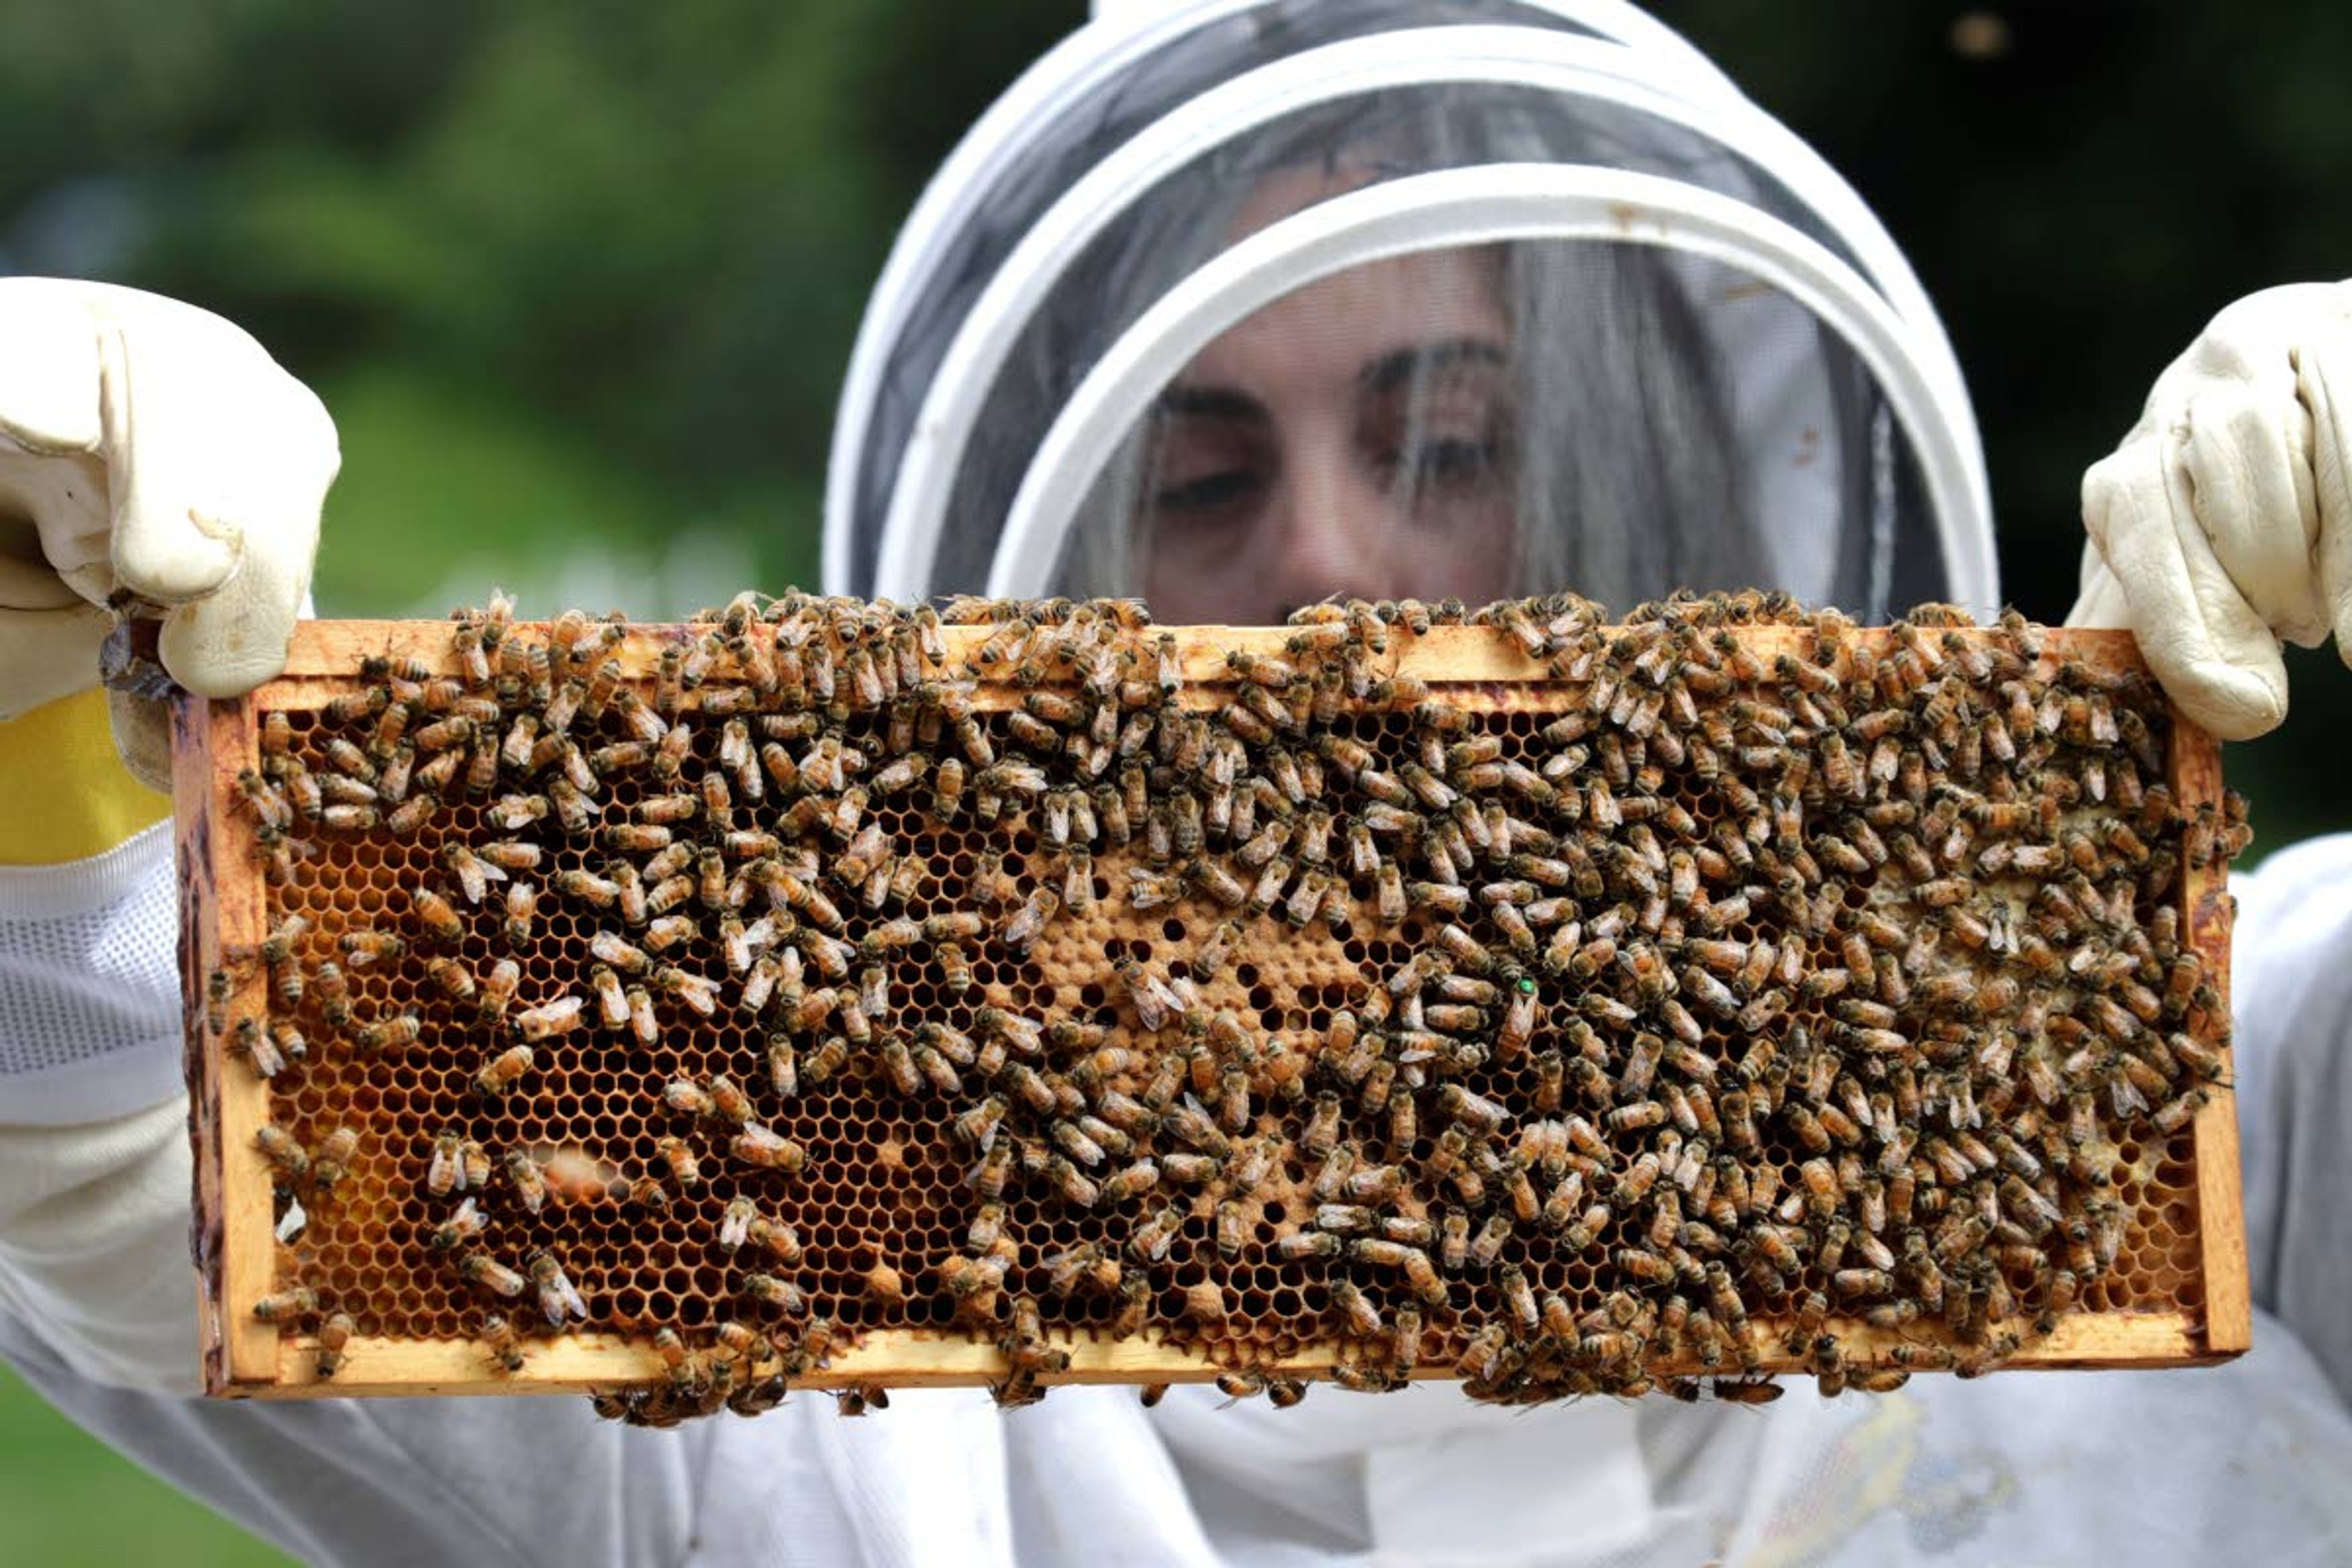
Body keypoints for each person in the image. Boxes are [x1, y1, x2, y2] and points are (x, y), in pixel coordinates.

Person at [2, 3, 2351, 1563]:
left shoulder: (2211, 1090)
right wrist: (24, 715)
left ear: (1669, 500)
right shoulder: (818, 1332)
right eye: (1199, 477)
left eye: (1447, 440)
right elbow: (144, 1131)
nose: (1325, 562)